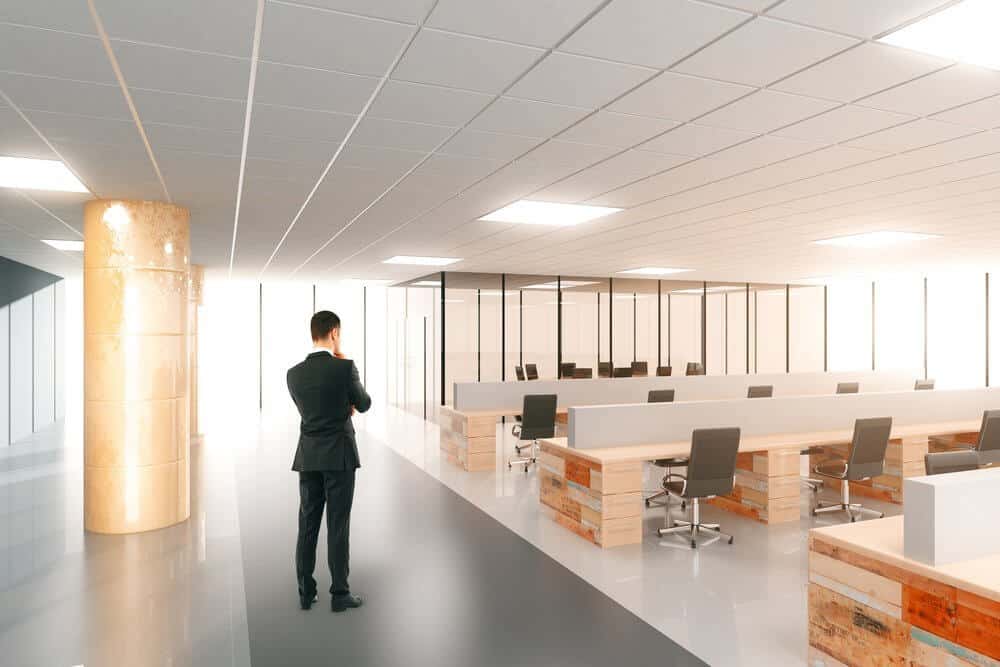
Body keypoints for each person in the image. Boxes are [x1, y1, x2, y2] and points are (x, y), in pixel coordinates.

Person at [286, 310, 371, 612]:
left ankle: (306, 593)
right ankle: (339, 594)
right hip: (340, 456)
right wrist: (348, 391)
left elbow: (307, 411)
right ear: (334, 332)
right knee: (338, 524)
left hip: (308, 457)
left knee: (307, 524)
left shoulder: (293, 374)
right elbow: (364, 404)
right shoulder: (344, 367)